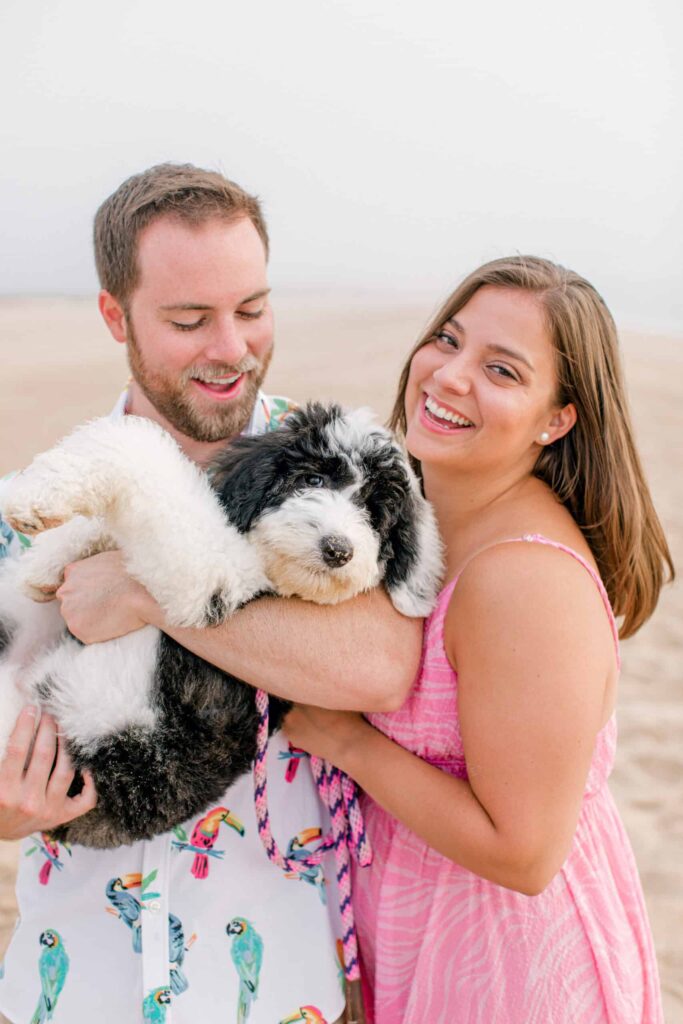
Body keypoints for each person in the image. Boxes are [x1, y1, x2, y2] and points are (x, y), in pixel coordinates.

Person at [0, 163, 421, 1024]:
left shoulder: (346, 474)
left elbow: (380, 666)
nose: (231, 348)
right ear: (116, 316)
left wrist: (150, 593)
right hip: (77, 987)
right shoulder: (36, 505)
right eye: (190, 320)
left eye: (253, 309)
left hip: (276, 995)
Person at [281, 257, 673, 1022]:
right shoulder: (429, 516)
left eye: (500, 369)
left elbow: (524, 853)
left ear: (555, 418)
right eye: (447, 340)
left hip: (511, 966)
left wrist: (346, 741)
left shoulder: (522, 579)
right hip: (425, 934)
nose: (449, 376)